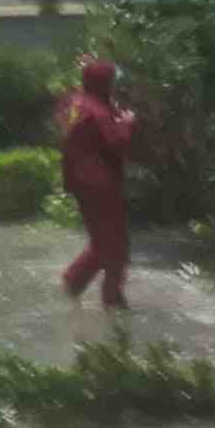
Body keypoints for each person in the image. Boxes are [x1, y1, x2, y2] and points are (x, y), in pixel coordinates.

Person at [59, 56, 137, 310]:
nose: (114, 85)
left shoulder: (75, 102)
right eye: (112, 81)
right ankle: (112, 301)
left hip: (81, 182)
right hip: (100, 183)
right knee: (116, 243)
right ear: (104, 82)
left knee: (103, 240)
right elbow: (116, 142)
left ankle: (73, 284)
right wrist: (127, 123)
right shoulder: (97, 110)